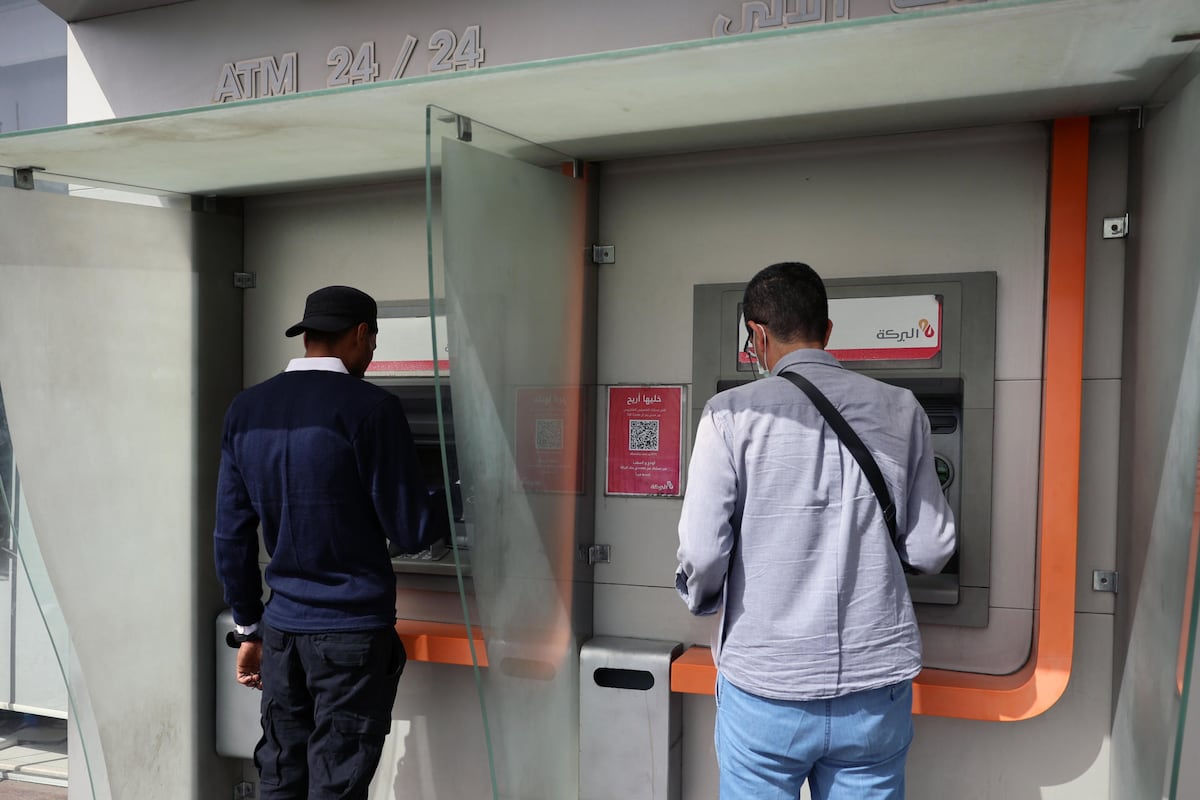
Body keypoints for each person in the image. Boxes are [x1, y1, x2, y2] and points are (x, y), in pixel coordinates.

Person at [675, 262, 956, 800]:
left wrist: (702, 597)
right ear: (827, 331)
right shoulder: (902, 408)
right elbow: (931, 548)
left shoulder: (727, 415)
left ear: (756, 335)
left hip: (765, 683)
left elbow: (703, 552)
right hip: (873, 687)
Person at [214, 285, 447, 800]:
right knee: (336, 784)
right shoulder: (372, 409)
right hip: (352, 634)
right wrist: (454, 495)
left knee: (280, 778)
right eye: (374, 342)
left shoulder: (247, 409)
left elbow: (230, 534)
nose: (373, 354)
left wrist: (249, 627)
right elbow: (410, 528)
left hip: (281, 633)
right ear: (361, 334)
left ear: (308, 336)